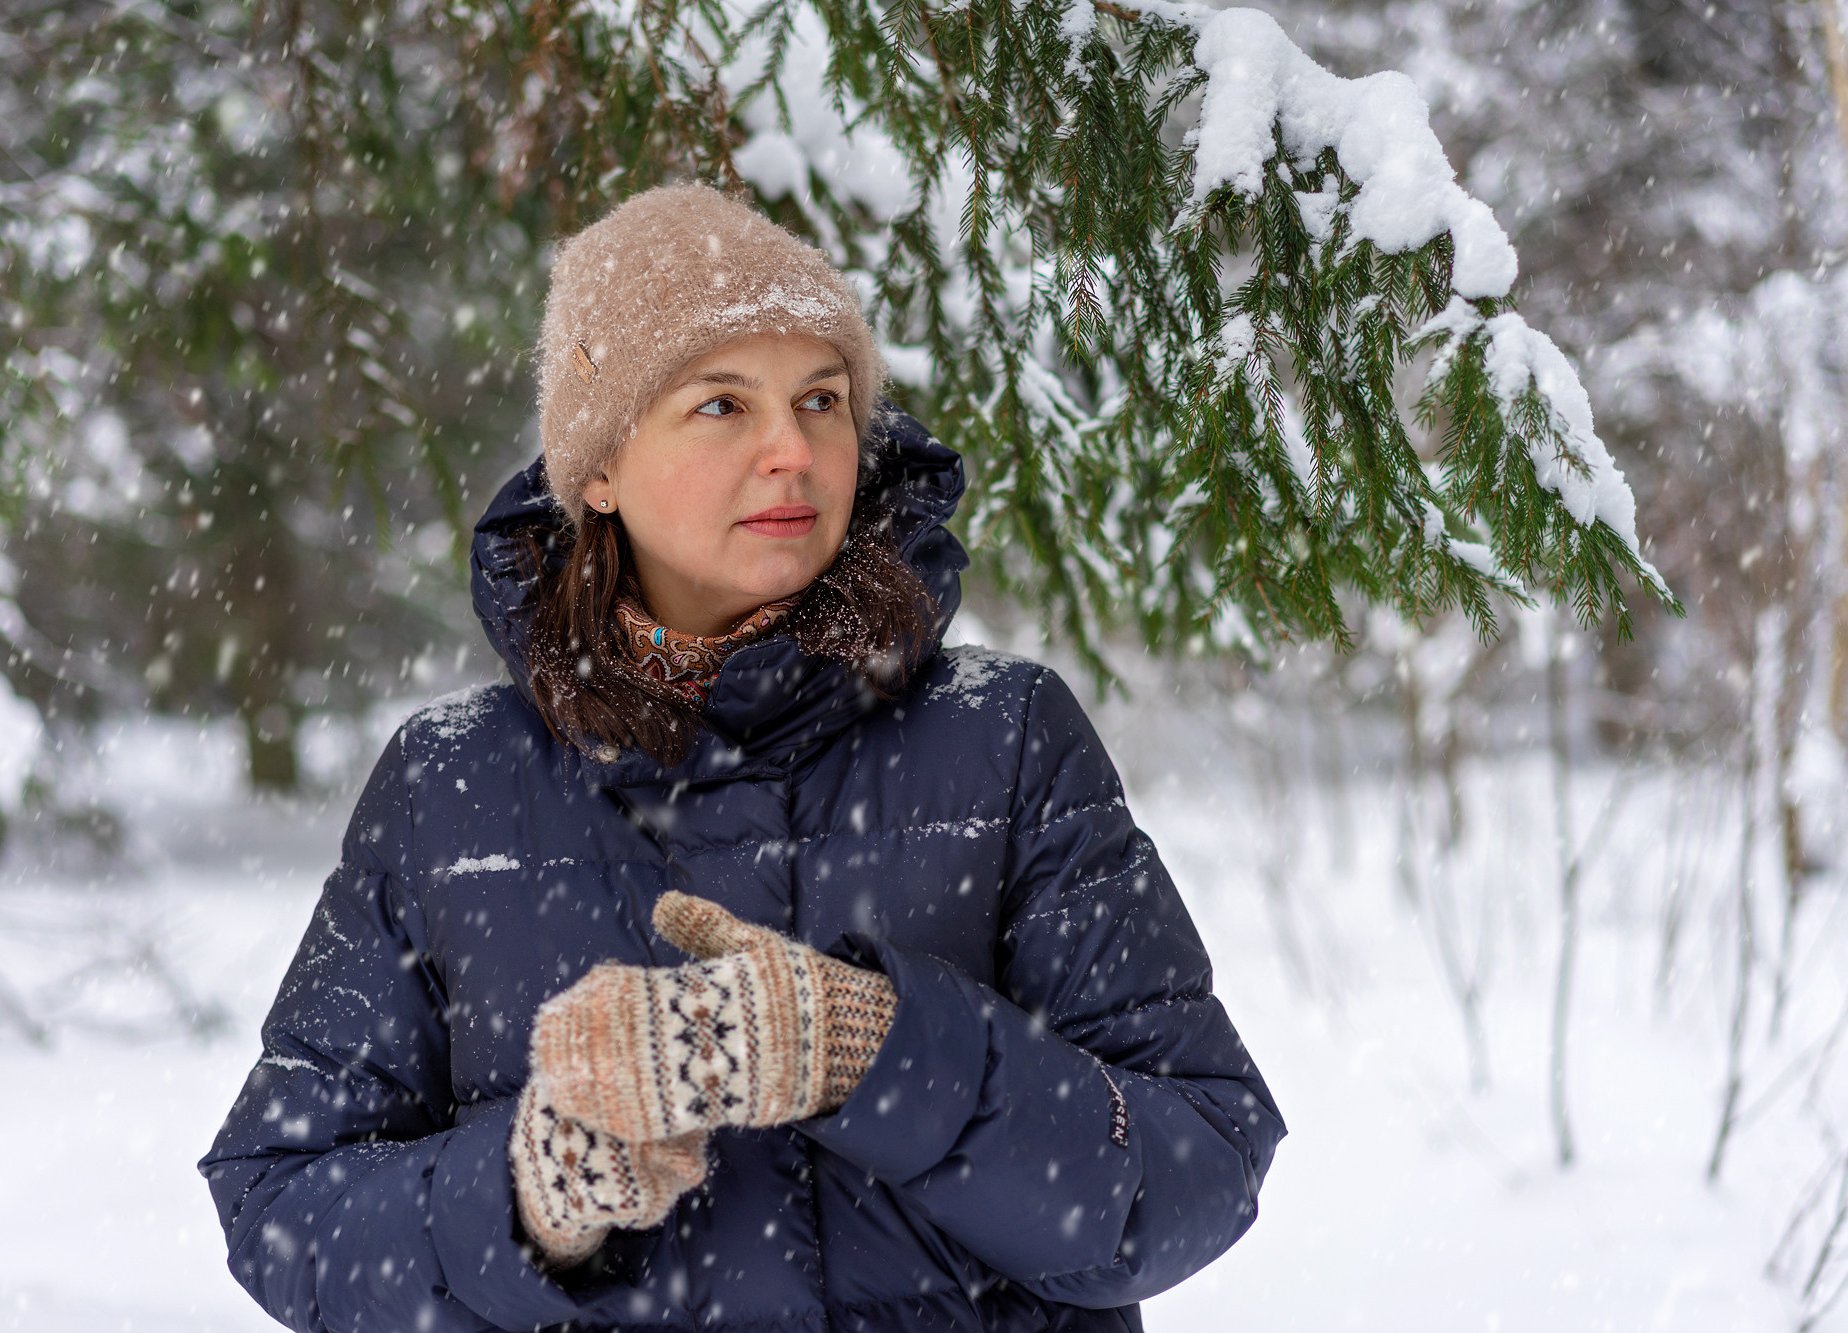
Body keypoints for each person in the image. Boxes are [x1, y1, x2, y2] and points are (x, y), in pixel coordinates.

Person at [198, 181, 1283, 1333]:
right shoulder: (451, 783)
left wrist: (866, 1047)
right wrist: (530, 1192)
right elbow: (280, 1205)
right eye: (721, 405)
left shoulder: (1003, 737)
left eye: (821, 400)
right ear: (598, 470)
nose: (793, 450)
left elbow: (1194, 1165)